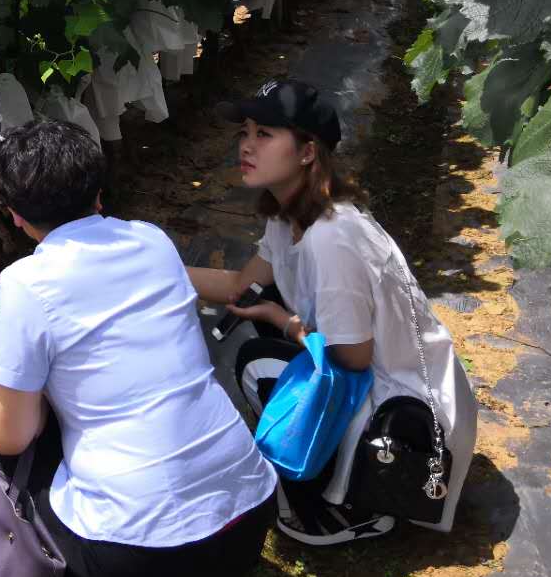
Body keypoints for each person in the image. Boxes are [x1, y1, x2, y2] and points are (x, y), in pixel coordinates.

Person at [0, 119, 277, 577]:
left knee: (10, 437)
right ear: (99, 193)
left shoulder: (25, 283)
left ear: (15, 215)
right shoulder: (150, 240)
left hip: (138, 565)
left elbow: (8, 436)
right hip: (249, 524)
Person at [188, 79, 478, 546]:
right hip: (394, 377)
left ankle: (346, 506)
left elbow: (354, 357)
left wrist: (282, 321)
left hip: (407, 417)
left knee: (258, 363)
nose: (246, 145)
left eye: (265, 134)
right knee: (271, 328)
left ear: (308, 152)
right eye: (244, 132)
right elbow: (240, 286)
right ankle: (335, 475)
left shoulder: (330, 238)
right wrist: (150, 263)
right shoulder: (290, 217)